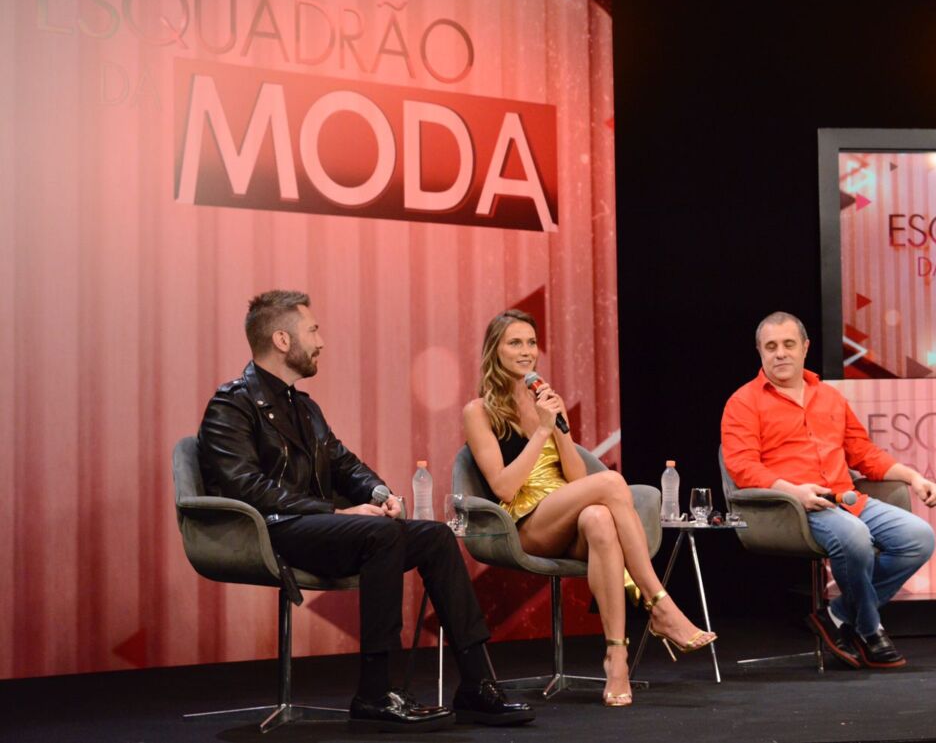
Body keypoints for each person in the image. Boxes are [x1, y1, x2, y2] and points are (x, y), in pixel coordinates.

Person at [197, 290, 534, 731]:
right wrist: (337, 514)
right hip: (270, 530)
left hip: (315, 526)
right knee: (379, 534)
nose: (320, 341)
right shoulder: (232, 403)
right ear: (282, 339)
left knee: (432, 537)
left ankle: (476, 684)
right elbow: (247, 488)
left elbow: (343, 463)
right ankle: (376, 693)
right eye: (313, 330)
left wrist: (379, 493)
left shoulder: (304, 405)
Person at [463, 309, 716, 707]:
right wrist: (543, 430)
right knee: (613, 481)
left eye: (531, 342)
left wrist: (558, 425)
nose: (526, 351)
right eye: (515, 342)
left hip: (568, 510)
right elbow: (504, 487)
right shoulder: (479, 411)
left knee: (599, 518)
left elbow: (578, 478)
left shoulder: (544, 401)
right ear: (494, 350)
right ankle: (660, 604)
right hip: (526, 521)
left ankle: (616, 662)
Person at [720, 311, 936, 669]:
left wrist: (913, 477)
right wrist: (794, 491)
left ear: (805, 348)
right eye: (771, 346)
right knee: (854, 537)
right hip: (791, 508)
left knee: (919, 536)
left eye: (789, 344)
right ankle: (869, 629)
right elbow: (743, 467)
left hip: (845, 498)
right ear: (759, 352)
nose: (780, 354)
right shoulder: (743, 403)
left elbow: (864, 453)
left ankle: (837, 614)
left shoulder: (830, 398)